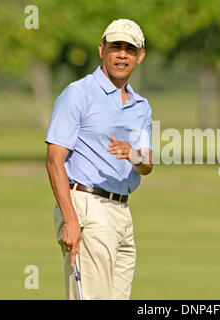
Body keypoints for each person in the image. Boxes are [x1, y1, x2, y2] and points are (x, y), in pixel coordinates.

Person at [45, 18, 153, 300]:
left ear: (139, 56)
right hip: (86, 207)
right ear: (101, 49)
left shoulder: (140, 106)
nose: (122, 54)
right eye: (115, 46)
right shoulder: (78, 94)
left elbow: (147, 164)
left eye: (129, 49)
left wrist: (133, 154)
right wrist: (70, 220)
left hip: (122, 213)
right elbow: (54, 160)